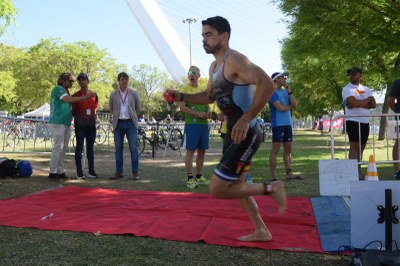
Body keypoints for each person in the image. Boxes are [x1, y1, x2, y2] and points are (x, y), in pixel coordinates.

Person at [166, 16, 286, 242]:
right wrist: (180, 96)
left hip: (247, 131)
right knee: (237, 185)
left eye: (208, 35)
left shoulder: (236, 60)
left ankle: (272, 188)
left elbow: (267, 84)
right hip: (233, 132)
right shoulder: (214, 66)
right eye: (202, 36)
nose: (204, 40)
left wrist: (247, 117)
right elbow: (209, 97)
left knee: (218, 188)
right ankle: (262, 230)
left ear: (224, 36)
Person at [48, 73, 96, 180]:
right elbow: (68, 100)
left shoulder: (67, 91)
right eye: (70, 81)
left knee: (64, 148)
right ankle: (53, 171)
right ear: (63, 80)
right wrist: (85, 97)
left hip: (66, 123)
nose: (72, 83)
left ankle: (60, 171)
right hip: (58, 122)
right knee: (58, 147)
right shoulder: (58, 89)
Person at [178, 66, 211, 189]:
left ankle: (199, 176)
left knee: (202, 151)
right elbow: (182, 108)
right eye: (189, 73)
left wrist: (208, 112)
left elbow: (207, 105)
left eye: (194, 73)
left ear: (199, 75)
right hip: (191, 124)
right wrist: (198, 114)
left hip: (203, 125)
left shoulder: (203, 89)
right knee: (190, 151)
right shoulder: (184, 90)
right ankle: (190, 178)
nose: (191, 75)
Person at [342, 67, 376, 180]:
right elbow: (353, 102)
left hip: (364, 121)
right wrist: (366, 101)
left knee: (361, 148)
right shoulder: (347, 89)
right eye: (350, 73)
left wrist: (358, 103)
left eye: (355, 73)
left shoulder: (366, 89)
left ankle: (359, 172)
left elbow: (374, 104)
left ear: (361, 75)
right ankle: (353, 173)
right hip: (353, 121)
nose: (352, 75)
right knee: (354, 147)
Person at [268, 72, 301, 180]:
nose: (284, 78)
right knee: (276, 150)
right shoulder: (272, 93)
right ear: (276, 80)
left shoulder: (285, 92)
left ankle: (289, 173)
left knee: (288, 149)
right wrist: (290, 106)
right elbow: (280, 108)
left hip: (288, 124)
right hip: (278, 125)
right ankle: (273, 176)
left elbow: (295, 104)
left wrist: (289, 91)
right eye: (282, 77)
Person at [109, 72, 141, 180]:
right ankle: (119, 172)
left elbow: (138, 108)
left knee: (133, 148)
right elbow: (111, 108)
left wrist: (133, 116)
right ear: (119, 81)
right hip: (118, 123)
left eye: (126, 79)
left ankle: (135, 172)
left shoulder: (133, 93)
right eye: (122, 79)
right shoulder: (113, 94)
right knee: (118, 149)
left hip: (130, 123)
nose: (125, 81)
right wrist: (116, 116)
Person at [72, 73, 99, 179]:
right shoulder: (75, 96)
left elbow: (95, 107)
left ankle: (91, 171)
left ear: (88, 81)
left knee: (90, 149)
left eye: (83, 79)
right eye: (79, 80)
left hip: (91, 126)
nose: (81, 81)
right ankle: (79, 172)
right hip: (80, 126)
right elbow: (73, 111)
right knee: (79, 148)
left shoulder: (94, 95)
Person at [387, 79, 400, 179]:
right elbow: (390, 101)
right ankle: (397, 169)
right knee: (399, 142)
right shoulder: (397, 82)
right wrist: (398, 111)